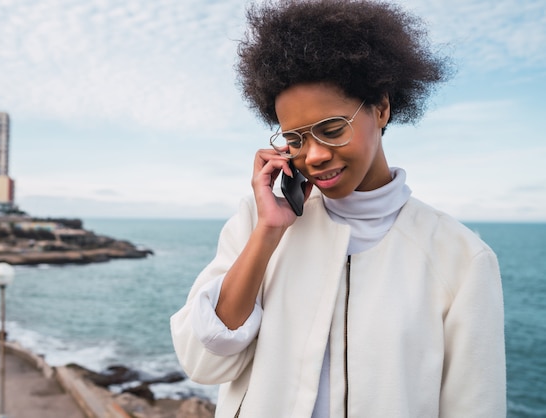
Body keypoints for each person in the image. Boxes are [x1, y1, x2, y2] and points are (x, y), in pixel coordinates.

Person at [170, 0, 506, 417]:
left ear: (381, 108)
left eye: (332, 129)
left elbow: (475, 407)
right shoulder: (257, 222)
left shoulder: (460, 258)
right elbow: (202, 360)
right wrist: (268, 233)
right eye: (295, 139)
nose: (312, 156)